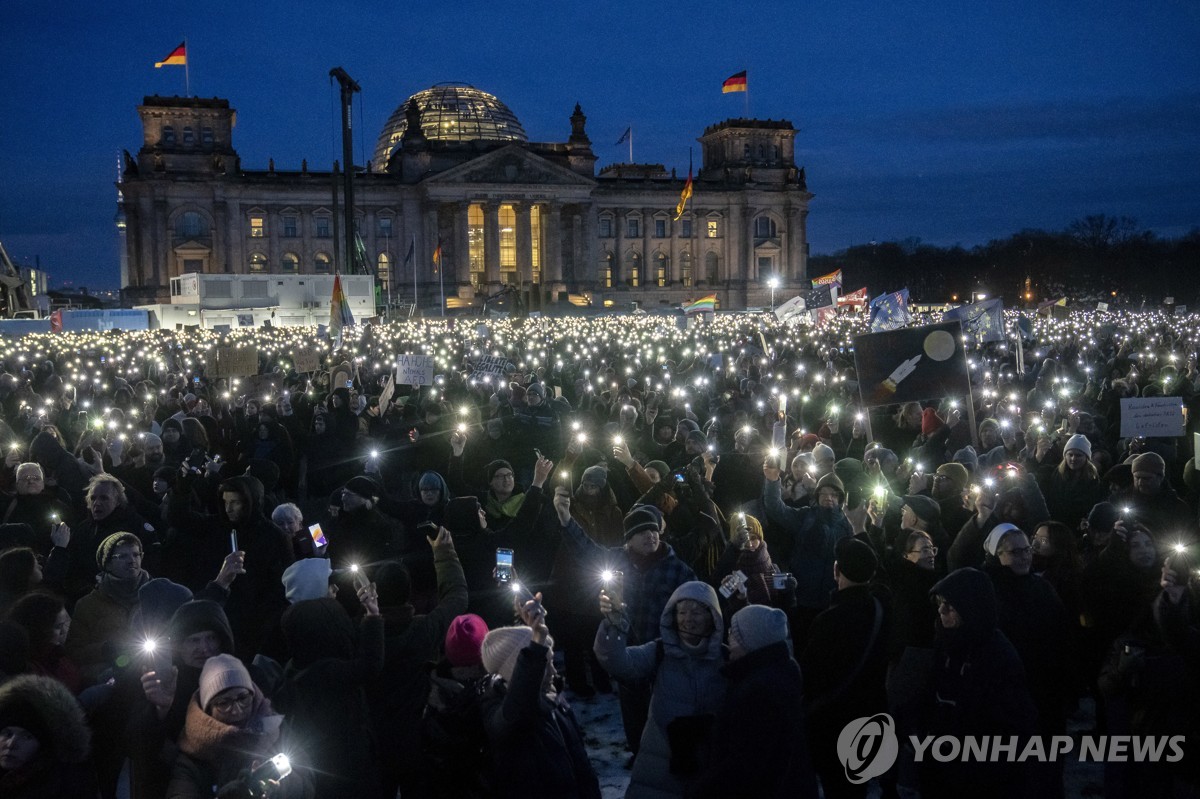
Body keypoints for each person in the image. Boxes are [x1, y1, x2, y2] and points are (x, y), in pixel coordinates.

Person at [911, 568, 1038, 799]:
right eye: (940, 603)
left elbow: (1012, 731)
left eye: (949, 605)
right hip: (940, 769)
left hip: (977, 779)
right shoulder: (945, 641)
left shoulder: (998, 657)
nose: (941, 610)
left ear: (970, 608)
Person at [594, 581, 726, 797]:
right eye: (682, 612)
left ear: (713, 617)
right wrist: (615, 623)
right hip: (659, 763)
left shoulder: (727, 659)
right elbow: (617, 661)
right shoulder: (660, 651)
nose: (688, 619)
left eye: (697, 612)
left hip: (709, 765)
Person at [478, 595, 601, 799]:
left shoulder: (554, 701)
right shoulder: (500, 712)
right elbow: (520, 706)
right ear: (521, 669)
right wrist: (535, 649)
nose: (554, 671)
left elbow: (581, 766)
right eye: (547, 664)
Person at [690, 604, 817, 798]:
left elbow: (745, 765)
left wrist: (699, 792)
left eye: (734, 634)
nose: (728, 639)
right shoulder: (775, 674)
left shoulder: (760, 690)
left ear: (749, 641)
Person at [274, 581, 385, 799]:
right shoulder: (328, 672)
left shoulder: (293, 670)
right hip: (349, 769)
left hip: (317, 766)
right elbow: (371, 665)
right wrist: (373, 616)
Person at [800, 538, 889, 799]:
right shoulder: (879, 609)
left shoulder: (829, 620)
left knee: (836, 786)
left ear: (836, 570)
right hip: (868, 717)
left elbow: (811, 675)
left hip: (832, 725)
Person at [166, 654, 309, 798]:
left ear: (253, 695)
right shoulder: (193, 751)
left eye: (242, 698)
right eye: (223, 703)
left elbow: (307, 779)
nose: (236, 710)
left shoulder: (276, 727)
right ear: (209, 709)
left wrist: (281, 790)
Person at [0, 673, 97, 798]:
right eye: (7, 733)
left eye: (27, 737)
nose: (11, 744)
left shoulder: (65, 785)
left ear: (44, 745)